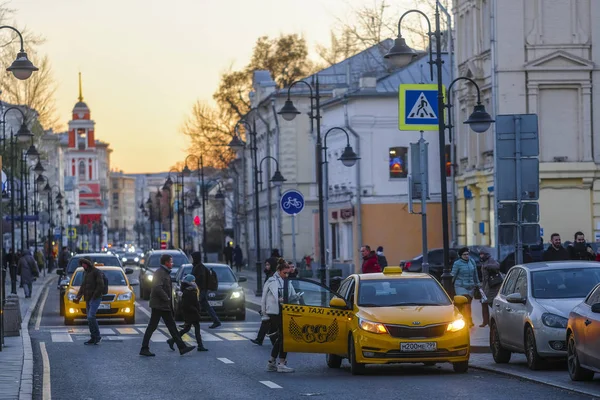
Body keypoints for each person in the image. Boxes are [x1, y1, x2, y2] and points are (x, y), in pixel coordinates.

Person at [139, 254, 195, 356]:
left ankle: (182, 347)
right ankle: (144, 348)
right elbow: (157, 288)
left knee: (171, 326)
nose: (172, 263)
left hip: (163, 305)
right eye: (171, 262)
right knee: (153, 326)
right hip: (159, 304)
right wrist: (167, 298)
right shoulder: (160, 273)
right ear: (166, 263)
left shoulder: (164, 272)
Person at [261, 258, 297, 373]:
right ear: (279, 271)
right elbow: (263, 299)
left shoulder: (287, 281)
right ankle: (281, 363)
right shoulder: (271, 281)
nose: (286, 275)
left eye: (287, 273)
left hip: (285, 310)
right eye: (284, 273)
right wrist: (264, 315)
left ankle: (271, 362)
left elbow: (293, 295)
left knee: (281, 336)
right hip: (274, 311)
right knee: (284, 336)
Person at [167, 274, 208, 352]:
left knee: (186, 329)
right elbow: (187, 304)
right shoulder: (189, 291)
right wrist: (196, 310)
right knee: (196, 329)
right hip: (191, 313)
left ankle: (172, 340)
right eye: (193, 281)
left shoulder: (191, 290)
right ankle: (200, 345)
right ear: (189, 282)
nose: (194, 282)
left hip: (191, 313)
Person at [73, 258, 105, 345]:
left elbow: (100, 285)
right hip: (87, 298)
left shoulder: (96, 272)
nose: (83, 266)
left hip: (95, 298)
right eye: (82, 264)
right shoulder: (85, 273)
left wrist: (94, 296)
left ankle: (97, 336)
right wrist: (78, 297)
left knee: (91, 316)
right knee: (89, 318)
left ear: (88, 264)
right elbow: (83, 286)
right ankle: (93, 337)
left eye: (84, 264)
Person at [190, 251, 222, 329]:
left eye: (192, 258)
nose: (191, 259)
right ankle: (216, 321)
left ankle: (189, 323)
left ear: (195, 258)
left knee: (194, 306)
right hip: (201, 290)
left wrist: (196, 286)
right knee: (206, 306)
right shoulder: (198, 266)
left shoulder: (199, 267)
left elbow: (200, 280)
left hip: (200, 291)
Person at [451, 247, 480, 328]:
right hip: (460, 286)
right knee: (465, 303)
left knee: (468, 304)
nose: (467, 256)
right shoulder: (457, 263)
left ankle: (467, 319)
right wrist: (449, 284)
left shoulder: (472, 261)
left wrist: (477, 283)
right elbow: (453, 274)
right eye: (464, 254)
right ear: (460, 255)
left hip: (471, 286)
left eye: (468, 254)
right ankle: (466, 321)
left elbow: (475, 274)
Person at [479, 249, 501, 328]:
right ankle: (485, 321)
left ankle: (498, 319)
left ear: (485, 254)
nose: (481, 256)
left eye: (482, 254)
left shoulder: (490, 260)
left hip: (492, 286)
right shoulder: (483, 262)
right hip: (486, 286)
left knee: (491, 302)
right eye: (480, 254)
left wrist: (487, 266)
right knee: (484, 302)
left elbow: (497, 266)